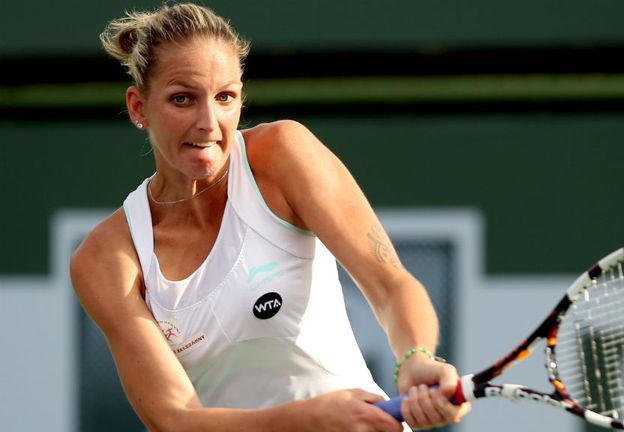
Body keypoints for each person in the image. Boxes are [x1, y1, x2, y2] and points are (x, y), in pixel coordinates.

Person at [70, 3, 470, 431]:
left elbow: (390, 283)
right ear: (138, 107)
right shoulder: (106, 258)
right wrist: (312, 418)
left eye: (225, 97)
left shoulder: (283, 154)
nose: (209, 122)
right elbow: (176, 420)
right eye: (182, 98)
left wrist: (415, 358)